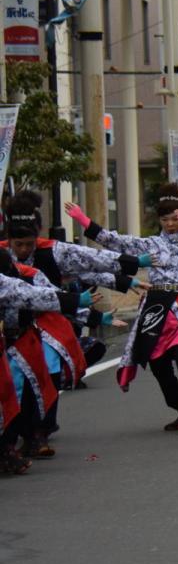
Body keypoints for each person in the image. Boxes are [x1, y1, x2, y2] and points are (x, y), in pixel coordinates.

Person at [0, 190, 150, 455]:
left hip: (45, 320)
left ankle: (40, 432)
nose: (24, 250)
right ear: (8, 239)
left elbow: (90, 262)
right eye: (17, 244)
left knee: (49, 367)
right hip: (6, 330)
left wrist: (131, 265)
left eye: (29, 244)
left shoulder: (50, 254)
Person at [65, 183, 178, 434]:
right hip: (156, 311)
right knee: (157, 363)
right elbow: (115, 241)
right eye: (165, 219)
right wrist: (84, 220)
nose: (170, 224)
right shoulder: (151, 244)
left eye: (175, 218)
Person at [0, 254, 98, 474]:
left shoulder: (27, 274)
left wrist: (83, 308)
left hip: (20, 343)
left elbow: (33, 294)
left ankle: (30, 439)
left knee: (28, 393)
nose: (23, 248)